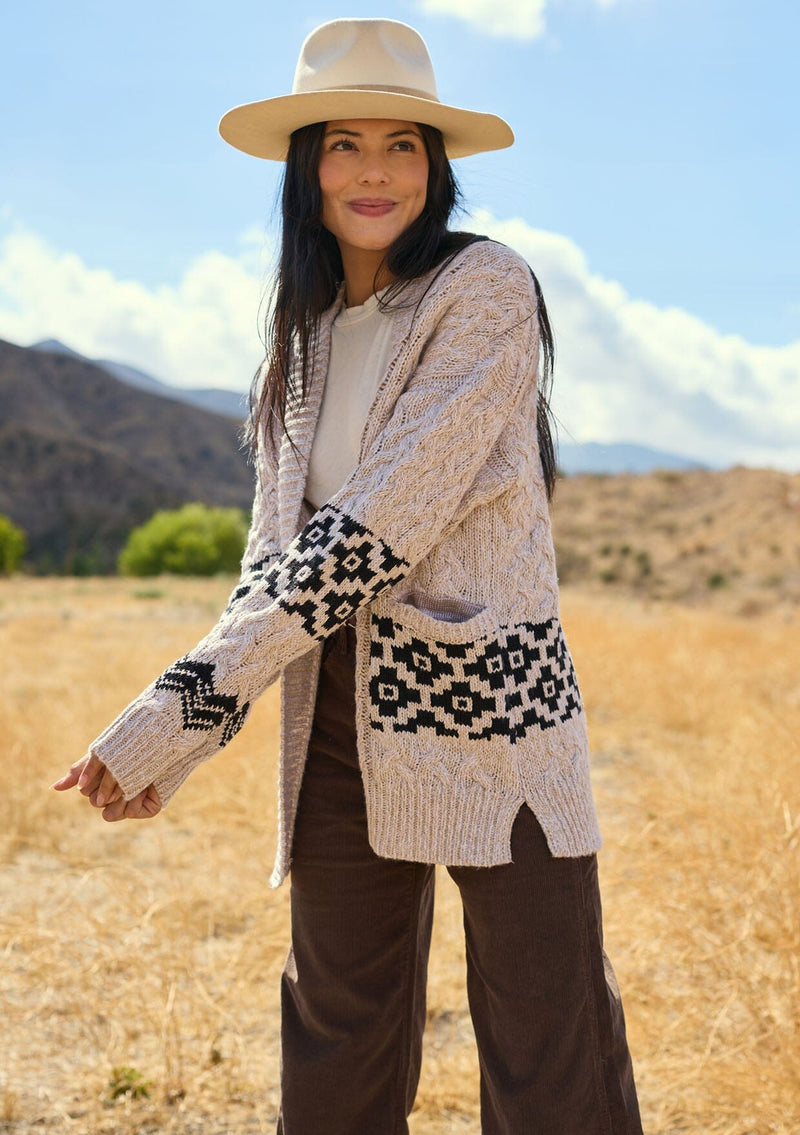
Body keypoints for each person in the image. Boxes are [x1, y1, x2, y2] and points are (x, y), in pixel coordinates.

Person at [52, 18, 643, 1134]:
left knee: (544, 1031)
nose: (374, 170)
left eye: (402, 144)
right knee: (337, 1029)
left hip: (495, 711)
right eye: (342, 143)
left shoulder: (485, 290)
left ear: (436, 163)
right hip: (331, 713)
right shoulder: (299, 339)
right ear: (304, 168)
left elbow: (375, 532)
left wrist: (174, 712)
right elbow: (269, 567)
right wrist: (178, 739)